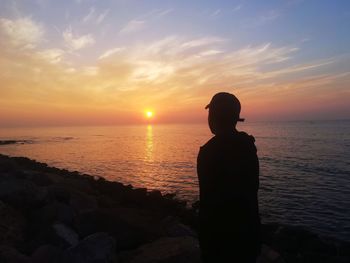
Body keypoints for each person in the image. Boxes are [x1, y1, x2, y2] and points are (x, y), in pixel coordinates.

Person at [197, 92, 261, 263]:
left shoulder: (208, 152)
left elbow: (208, 201)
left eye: (210, 113)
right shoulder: (248, 146)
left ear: (215, 117)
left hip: (219, 242)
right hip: (248, 236)